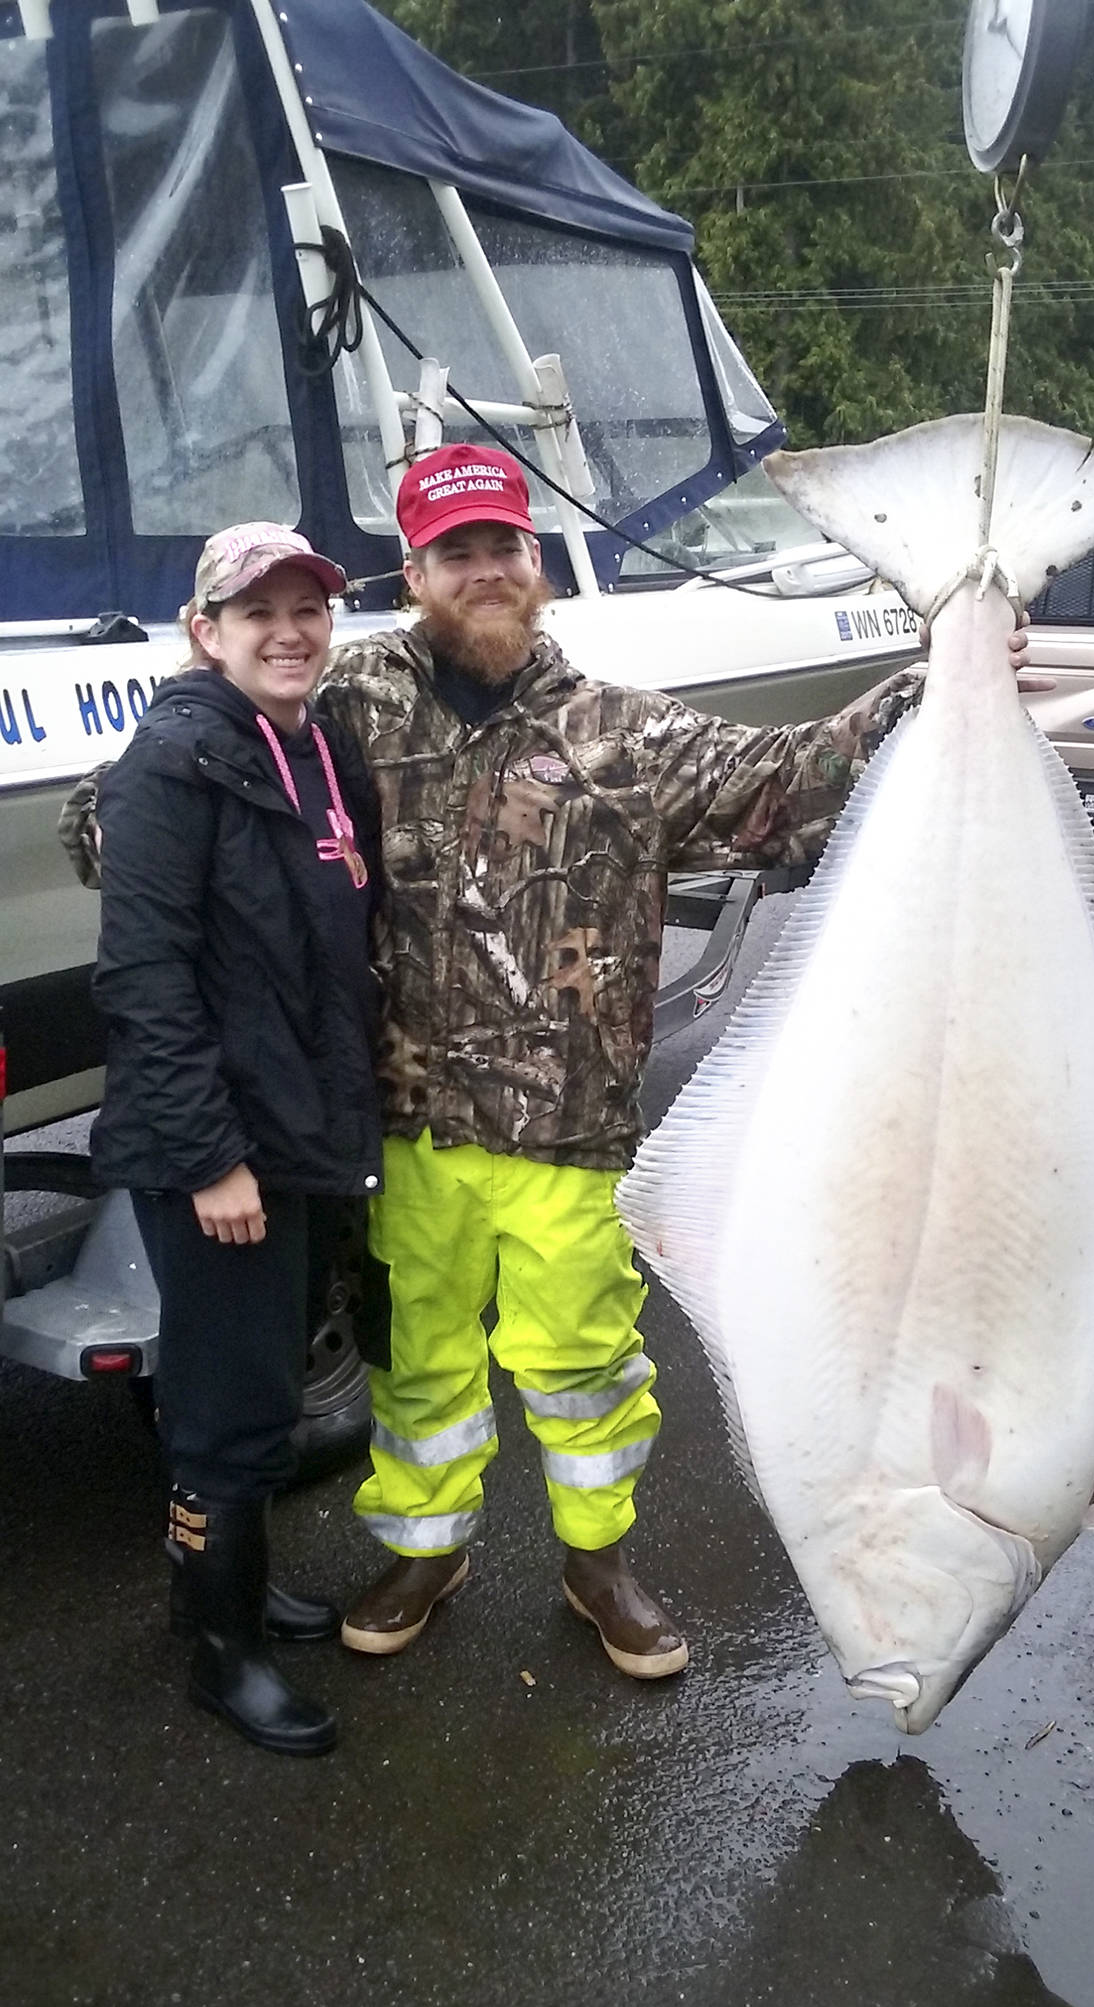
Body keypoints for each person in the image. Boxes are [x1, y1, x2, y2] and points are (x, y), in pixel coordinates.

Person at [318, 442, 1039, 1682]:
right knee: (417, 1355)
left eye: (503, 547)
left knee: (585, 1367)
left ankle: (597, 1561)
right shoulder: (352, 709)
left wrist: (931, 686)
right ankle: (426, 1549)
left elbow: (779, 783)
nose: (485, 572)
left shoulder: (620, 732)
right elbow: (235, 759)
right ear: (414, 575)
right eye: (457, 554)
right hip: (409, 1122)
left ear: (534, 565)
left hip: (567, 1133)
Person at [81, 524, 383, 1756]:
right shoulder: (169, 765)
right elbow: (145, 979)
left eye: (307, 606)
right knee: (232, 1408)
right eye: (257, 612)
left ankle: (225, 1585)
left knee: (257, 1384)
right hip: (213, 1150)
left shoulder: (309, 746)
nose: (290, 629)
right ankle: (222, 1653)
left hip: (296, 1131)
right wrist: (212, 1161)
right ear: (204, 631)